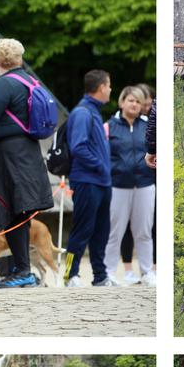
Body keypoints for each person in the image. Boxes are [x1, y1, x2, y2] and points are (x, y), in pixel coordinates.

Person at [0, 38, 52, 288]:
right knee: (21, 211)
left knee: (13, 210)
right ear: (20, 58)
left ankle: (22, 269)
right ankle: (20, 267)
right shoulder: (31, 81)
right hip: (28, 152)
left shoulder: (5, 84)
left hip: (9, 156)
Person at [64, 69, 114, 288]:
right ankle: (69, 274)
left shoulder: (95, 112)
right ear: (101, 87)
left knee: (101, 231)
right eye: (109, 85)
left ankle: (100, 275)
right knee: (81, 230)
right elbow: (78, 147)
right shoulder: (83, 113)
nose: (111, 90)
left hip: (102, 182)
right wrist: (100, 165)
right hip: (86, 180)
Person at [104, 85, 156, 287]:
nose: (134, 104)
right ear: (122, 102)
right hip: (118, 184)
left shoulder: (148, 125)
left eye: (137, 101)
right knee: (114, 230)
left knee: (144, 230)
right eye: (130, 100)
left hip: (144, 183)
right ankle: (108, 272)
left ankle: (147, 271)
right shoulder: (110, 126)